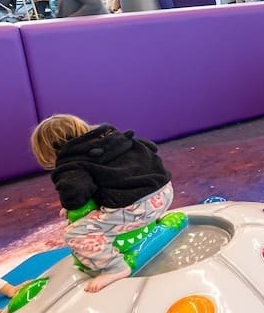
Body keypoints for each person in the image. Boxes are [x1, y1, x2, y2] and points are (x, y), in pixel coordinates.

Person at [31, 114, 174, 293]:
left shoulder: (71, 163)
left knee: (76, 233)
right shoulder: (116, 138)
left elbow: (74, 190)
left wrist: (70, 205)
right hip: (165, 193)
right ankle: (149, 221)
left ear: (50, 150)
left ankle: (115, 267)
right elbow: (150, 147)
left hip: (137, 209)